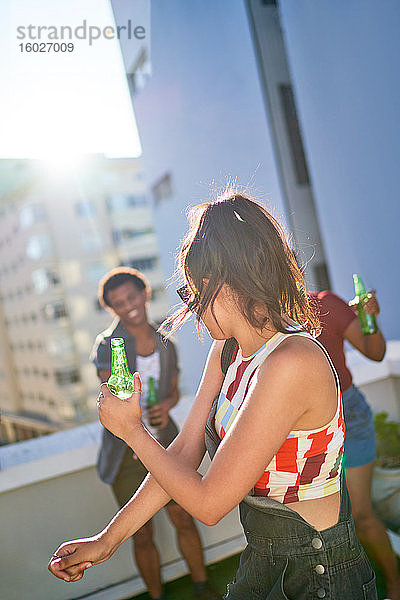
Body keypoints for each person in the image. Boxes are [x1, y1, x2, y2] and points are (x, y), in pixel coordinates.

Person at [49, 194, 378, 599]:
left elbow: (209, 504)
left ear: (213, 283)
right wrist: (107, 539)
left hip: (318, 567)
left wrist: (132, 431)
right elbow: (184, 450)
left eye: (190, 294)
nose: (192, 310)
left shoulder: (293, 361)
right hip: (264, 554)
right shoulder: (228, 351)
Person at [89, 267, 219, 600]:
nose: (128, 306)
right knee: (140, 532)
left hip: (167, 442)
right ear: (111, 309)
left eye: (132, 296)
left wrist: (166, 404)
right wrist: (136, 432)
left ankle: (203, 588)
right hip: (125, 452)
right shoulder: (108, 346)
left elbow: (173, 392)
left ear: (145, 294)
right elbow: (112, 397)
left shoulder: (166, 339)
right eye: (118, 303)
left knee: (184, 518)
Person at [309, 289, 400, 600]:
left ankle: (396, 585)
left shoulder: (325, 304)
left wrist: (369, 318)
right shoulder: (267, 317)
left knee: (359, 514)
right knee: (330, 523)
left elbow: (375, 353)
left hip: (349, 416)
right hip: (304, 428)